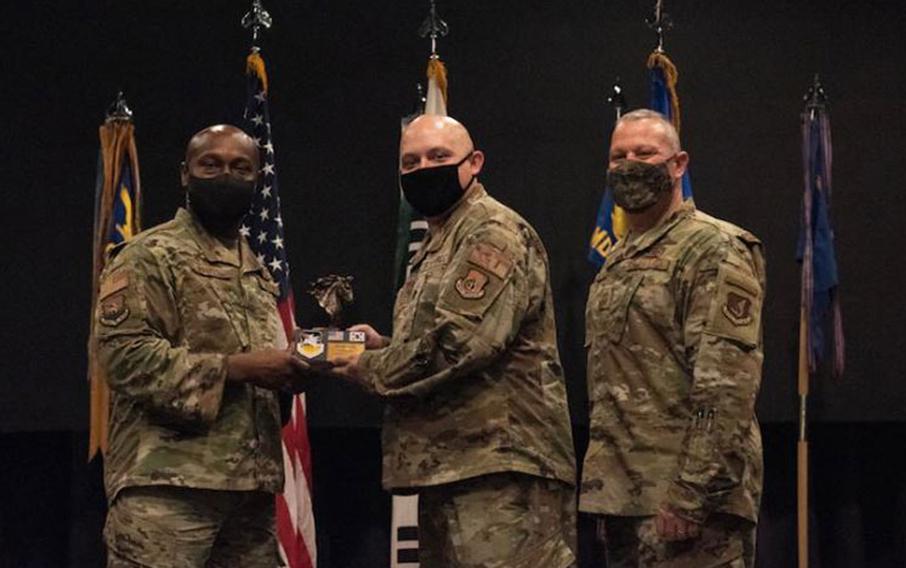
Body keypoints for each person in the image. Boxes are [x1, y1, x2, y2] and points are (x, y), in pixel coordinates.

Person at [330, 115, 578, 567]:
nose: (424, 168)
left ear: (474, 162)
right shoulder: (443, 240)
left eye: (439, 157)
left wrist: (368, 369)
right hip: (453, 467)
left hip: (500, 472)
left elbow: (461, 344)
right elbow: (447, 340)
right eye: (411, 161)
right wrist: (382, 348)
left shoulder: (492, 232)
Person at [93, 124, 312, 567]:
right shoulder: (148, 255)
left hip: (249, 491)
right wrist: (236, 368)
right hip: (168, 488)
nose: (226, 176)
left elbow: (264, 371)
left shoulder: (253, 268)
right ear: (185, 174)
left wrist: (298, 368)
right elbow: (124, 358)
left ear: (257, 179)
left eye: (240, 167)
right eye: (211, 164)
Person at [580, 109, 765, 567]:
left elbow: (725, 388)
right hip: (626, 501)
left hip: (690, 507)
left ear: (679, 163)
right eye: (618, 156)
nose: (629, 165)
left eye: (645, 153)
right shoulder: (618, 261)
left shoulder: (714, 249)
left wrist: (692, 491)